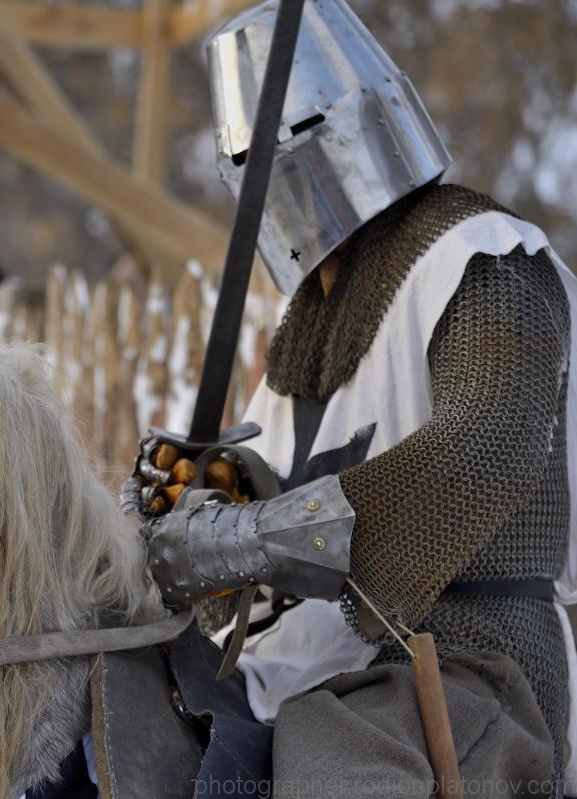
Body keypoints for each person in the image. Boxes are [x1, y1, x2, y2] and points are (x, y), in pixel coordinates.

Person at [124, 1, 577, 796]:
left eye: (293, 146)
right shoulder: (310, 332)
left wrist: (246, 539)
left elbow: (486, 446)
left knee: (341, 766)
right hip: (304, 669)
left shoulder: (483, 258)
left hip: (472, 663)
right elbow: (263, 496)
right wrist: (198, 508)